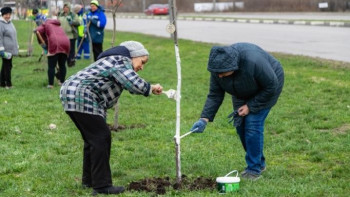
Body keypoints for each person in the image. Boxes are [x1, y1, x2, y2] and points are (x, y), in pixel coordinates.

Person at [59, 41, 163, 195]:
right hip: (81, 94)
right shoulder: (120, 60)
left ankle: (89, 181)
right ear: (133, 56)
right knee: (101, 137)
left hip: (71, 93)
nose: (142, 67)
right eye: (142, 62)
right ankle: (102, 186)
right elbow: (132, 82)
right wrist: (150, 88)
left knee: (92, 139)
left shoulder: (112, 61)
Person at [190, 43, 284, 181]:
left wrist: (250, 106)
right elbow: (215, 95)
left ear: (233, 67)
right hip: (241, 90)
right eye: (217, 73)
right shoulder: (218, 69)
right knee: (241, 126)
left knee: (252, 124)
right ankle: (259, 162)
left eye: (222, 73)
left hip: (268, 86)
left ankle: (253, 169)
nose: (219, 76)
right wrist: (204, 118)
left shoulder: (253, 61)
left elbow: (271, 85)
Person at [35, 19, 70, 88]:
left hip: (55, 43)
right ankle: (62, 82)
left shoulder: (45, 24)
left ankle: (50, 85)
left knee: (51, 66)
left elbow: (38, 31)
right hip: (66, 42)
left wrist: (43, 45)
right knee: (62, 65)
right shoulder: (57, 26)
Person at [0, 7, 18, 89]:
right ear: (2, 14)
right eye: (6, 14)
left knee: (5, 66)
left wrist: (16, 45)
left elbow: (14, 35)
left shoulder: (10, 23)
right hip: (5, 49)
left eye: (9, 14)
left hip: (11, 49)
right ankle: (8, 84)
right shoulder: (1, 24)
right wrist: (1, 49)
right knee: (8, 67)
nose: (8, 16)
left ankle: (2, 83)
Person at [58, 2, 80, 67]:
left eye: (67, 7)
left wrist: (72, 22)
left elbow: (78, 22)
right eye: (64, 7)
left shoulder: (73, 15)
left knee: (71, 50)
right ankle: (63, 62)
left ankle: (71, 62)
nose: (65, 8)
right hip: (62, 36)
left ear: (69, 8)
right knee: (63, 50)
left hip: (71, 35)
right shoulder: (60, 15)